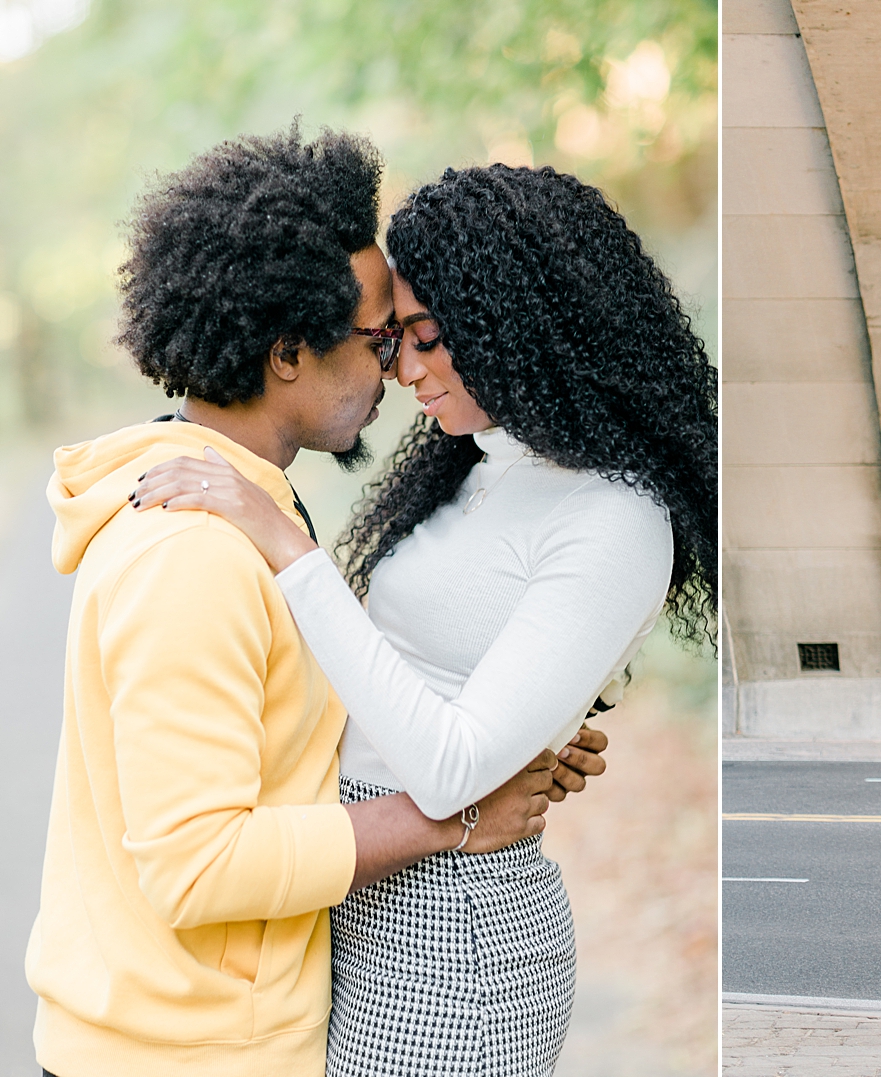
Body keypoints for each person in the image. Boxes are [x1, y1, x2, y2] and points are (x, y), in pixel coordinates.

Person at [25, 126, 605, 1077]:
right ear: (289, 351)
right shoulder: (193, 552)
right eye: (380, 340)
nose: (397, 368)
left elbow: (283, 747)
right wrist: (457, 819)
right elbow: (199, 863)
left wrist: (512, 728)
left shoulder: (245, 509)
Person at [131, 163, 718, 1075]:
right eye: (398, 338)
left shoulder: (616, 517)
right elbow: (411, 679)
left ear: (516, 329)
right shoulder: (485, 460)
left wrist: (291, 551)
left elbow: (450, 768)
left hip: (455, 936)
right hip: (366, 883)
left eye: (429, 340)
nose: (402, 369)